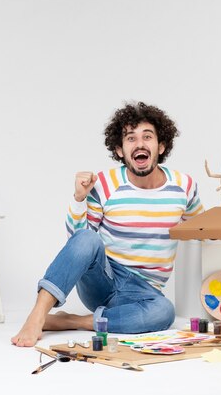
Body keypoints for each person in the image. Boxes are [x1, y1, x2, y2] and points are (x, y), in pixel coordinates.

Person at [11, 101, 203, 347]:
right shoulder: (104, 183)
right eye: (131, 138)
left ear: (161, 146)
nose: (140, 144)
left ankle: (73, 321)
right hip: (104, 277)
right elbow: (78, 243)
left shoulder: (184, 186)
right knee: (88, 238)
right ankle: (37, 315)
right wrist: (80, 200)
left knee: (164, 312)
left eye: (147, 136)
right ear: (120, 150)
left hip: (144, 292)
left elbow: (201, 229)